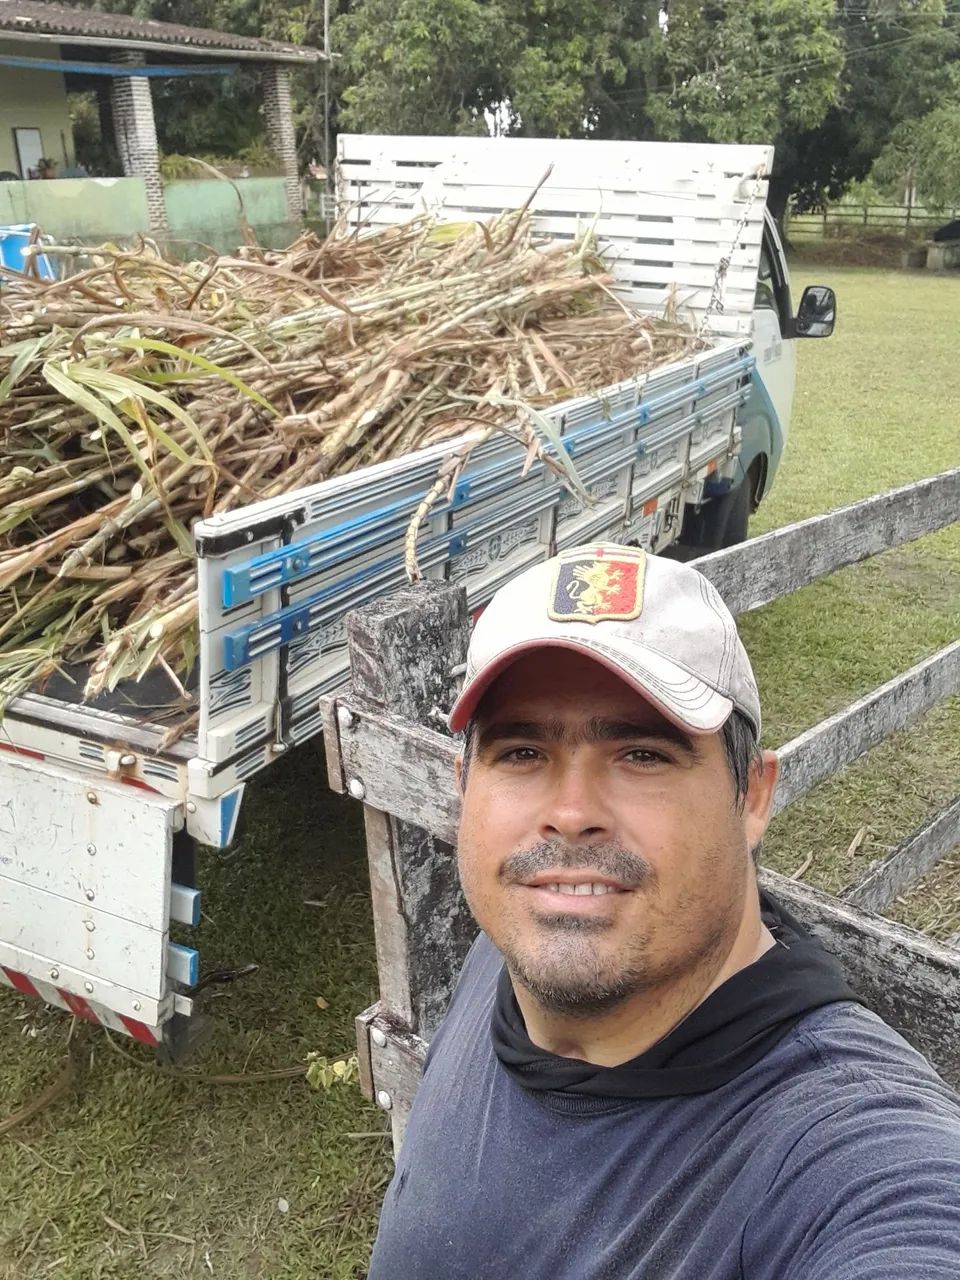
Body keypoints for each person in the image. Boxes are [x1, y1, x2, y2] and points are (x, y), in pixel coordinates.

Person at [367, 542, 960, 1279]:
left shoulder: (849, 1159)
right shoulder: (510, 946)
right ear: (465, 787)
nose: (570, 813)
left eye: (641, 753)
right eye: (521, 752)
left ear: (752, 794)